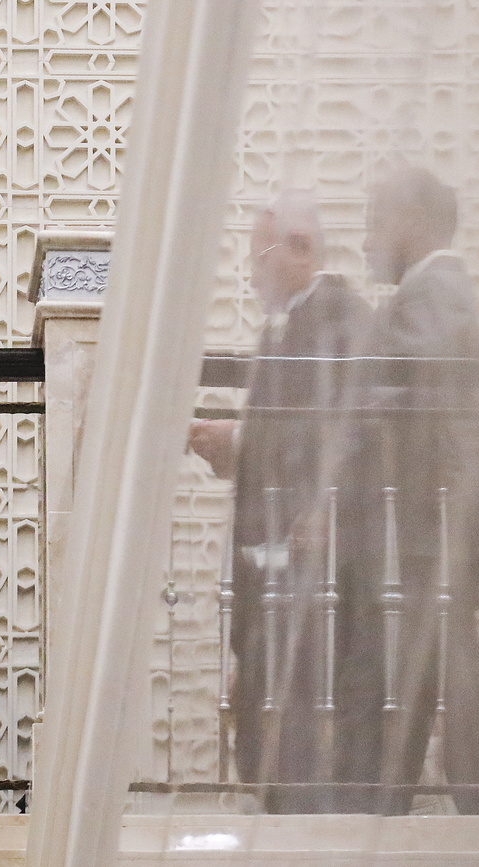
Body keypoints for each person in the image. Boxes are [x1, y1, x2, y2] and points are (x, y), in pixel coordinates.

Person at [338, 164, 479, 814]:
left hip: (436, 529)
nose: (367, 241)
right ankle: (399, 808)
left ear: (413, 221)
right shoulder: (434, 293)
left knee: (449, 676)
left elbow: (387, 384)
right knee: (433, 675)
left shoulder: (433, 295)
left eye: (376, 222)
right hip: (438, 528)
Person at [189, 189, 371, 813]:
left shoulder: (335, 318)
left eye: (259, 254)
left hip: (310, 563)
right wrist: (234, 443)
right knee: (270, 718)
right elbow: (290, 433)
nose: (251, 271)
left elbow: (346, 430)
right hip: (277, 563)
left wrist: (323, 504)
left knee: (293, 739)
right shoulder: (292, 324)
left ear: (299, 250)